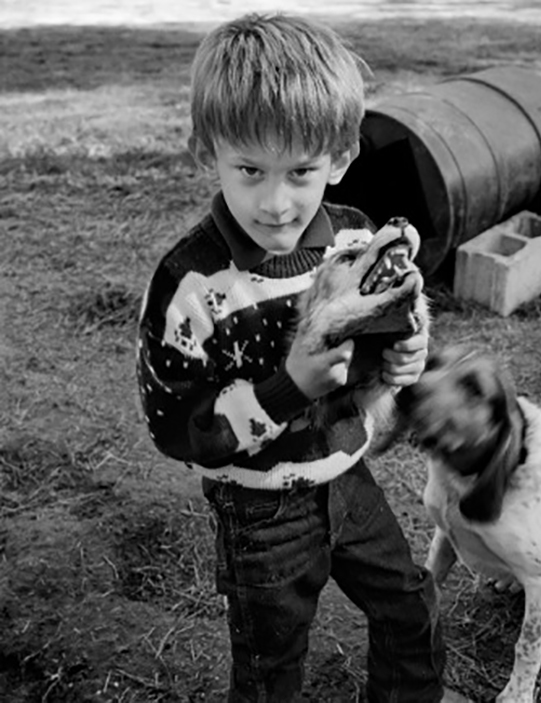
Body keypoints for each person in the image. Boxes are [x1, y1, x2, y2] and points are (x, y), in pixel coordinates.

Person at [136, 12, 469, 703]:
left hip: (348, 474)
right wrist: (286, 389)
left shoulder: (353, 236)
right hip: (258, 511)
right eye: (250, 169)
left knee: (410, 606)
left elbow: (383, 330)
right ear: (208, 152)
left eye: (302, 171)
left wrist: (402, 361)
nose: (277, 201)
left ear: (341, 157)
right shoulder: (192, 285)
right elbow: (175, 427)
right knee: (270, 661)